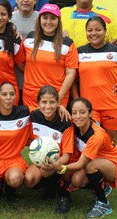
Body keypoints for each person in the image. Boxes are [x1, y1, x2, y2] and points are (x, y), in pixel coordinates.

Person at [45, 98, 117, 218]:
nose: (78, 116)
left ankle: (103, 204)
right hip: (98, 162)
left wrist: (61, 167)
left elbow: (81, 164)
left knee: (90, 165)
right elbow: (51, 112)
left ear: (90, 113)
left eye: (82, 112)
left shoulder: (96, 136)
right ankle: (103, 186)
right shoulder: (75, 124)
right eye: (74, 113)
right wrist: (59, 106)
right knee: (77, 180)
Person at [76, 16, 117, 144]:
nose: (94, 33)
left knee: (109, 144)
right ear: (86, 33)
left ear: (105, 31)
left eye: (98, 30)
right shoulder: (79, 53)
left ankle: (110, 164)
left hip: (113, 105)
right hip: (89, 107)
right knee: (90, 142)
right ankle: (89, 165)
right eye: (90, 30)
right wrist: (77, 99)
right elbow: (73, 78)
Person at [24, 86, 74, 215]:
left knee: (46, 171)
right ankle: (50, 187)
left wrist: (56, 164)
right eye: (44, 102)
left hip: (61, 162)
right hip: (41, 161)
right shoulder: (34, 116)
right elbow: (30, 141)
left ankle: (64, 195)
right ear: (38, 103)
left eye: (52, 102)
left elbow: (67, 156)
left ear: (58, 103)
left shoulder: (65, 122)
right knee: (29, 180)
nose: (48, 106)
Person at [20, 4, 78, 109]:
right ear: (39, 19)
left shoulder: (67, 44)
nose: (48, 22)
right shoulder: (29, 38)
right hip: (31, 97)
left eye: (53, 18)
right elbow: (20, 62)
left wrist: (58, 99)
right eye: (45, 18)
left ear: (58, 21)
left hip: (56, 98)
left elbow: (71, 74)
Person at [12, 0, 39, 105]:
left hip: (36, 82)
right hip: (12, 82)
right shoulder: (7, 18)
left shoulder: (44, 20)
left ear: (35, 0)